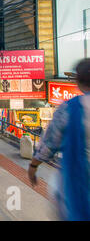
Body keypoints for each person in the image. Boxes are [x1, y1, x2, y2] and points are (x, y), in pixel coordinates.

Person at [28, 59, 90, 221]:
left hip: (78, 179)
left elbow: (49, 143)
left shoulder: (69, 109)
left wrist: (33, 166)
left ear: (77, 81)